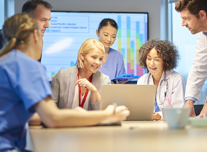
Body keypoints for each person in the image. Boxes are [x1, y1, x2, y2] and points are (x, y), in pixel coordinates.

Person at [0, 13, 130, 152]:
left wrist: (75, 116)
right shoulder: (28, 66)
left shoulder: (6, 62)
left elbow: (24, 116)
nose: (97, 62)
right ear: (34, 36)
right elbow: (52, 118)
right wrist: (107, 116)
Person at [175, 0, 207, 117]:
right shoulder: (204, 34)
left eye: (186, 18)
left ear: (202, 15)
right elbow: (199, 66)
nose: (183, 23)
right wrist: (189, 101)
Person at [51, 38, 111, 110]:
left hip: (92, 121)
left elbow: (104, 114)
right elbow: (50, 109)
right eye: (94, 57)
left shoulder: (105, 80)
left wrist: (94, 90)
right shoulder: (62, 75)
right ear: (82, 56)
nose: (97, 62)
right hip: (66, 121)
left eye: (100, 59)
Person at [137, 39, 186, 120]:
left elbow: (178, 110)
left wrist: (160, 117)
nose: (151, 63)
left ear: (165, 61)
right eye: (149, 59)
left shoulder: (177, 79)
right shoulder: (142, 80)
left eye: (157, 60)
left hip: (170, 126)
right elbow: (139, 108)